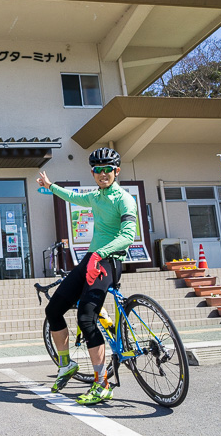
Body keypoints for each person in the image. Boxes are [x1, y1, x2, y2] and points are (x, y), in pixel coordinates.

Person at [36, 147, 137, 405]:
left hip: (110, 261)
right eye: (98, 170)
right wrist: (49, 185)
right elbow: (70, 196)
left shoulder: (124, 199)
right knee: (53, 310)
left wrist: (100, 253)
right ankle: (66, 363)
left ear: (117, 171)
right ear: (93, 173)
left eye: (108, 170)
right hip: (90, 259)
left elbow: (127, 236)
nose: (103, 174)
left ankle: (101, 384)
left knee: (86, 318)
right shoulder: (96, 196)